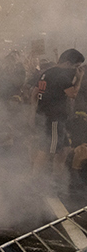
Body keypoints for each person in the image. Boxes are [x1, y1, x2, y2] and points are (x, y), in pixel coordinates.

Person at [32, 48, 85, 180]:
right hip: (53, 118)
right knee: (48, 149)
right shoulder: (61, 75)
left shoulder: (48, 72)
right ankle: (35, 180)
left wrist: (33, 112)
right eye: (76, 66)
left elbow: (35, 92)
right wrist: (79, 79)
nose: (76, 70)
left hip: (48, 115)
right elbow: (73, 94)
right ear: (68, 63)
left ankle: (57, 178)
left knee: (64, 149)